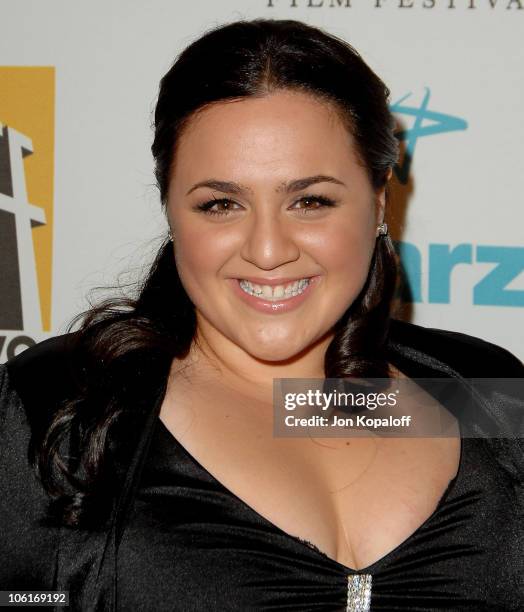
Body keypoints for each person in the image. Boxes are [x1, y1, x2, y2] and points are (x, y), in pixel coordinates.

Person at [0, 18, 523, 612]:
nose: (268, 250)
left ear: (379, 203)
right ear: (171, 212)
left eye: (310, 201)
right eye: (221, 204)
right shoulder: (55, 410)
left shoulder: (484, 389)